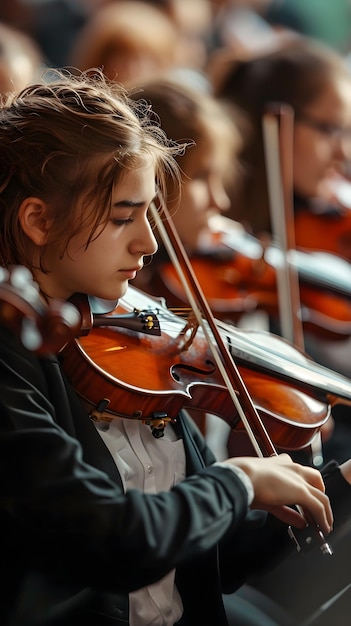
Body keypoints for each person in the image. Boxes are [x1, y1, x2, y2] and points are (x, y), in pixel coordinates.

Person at [1, 66, 351, 626]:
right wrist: (237, 482)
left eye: (150, 212)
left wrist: (339, 484)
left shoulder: (140, 338)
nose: (150, 241)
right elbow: (112, 538)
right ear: (39, 220)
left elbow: (218, 557)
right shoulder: (13, 361)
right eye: (124, 217)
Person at [211, 34, 351, 465]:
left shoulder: (308, 216)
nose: (344, 153)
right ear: (274, 120)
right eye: (330, 130)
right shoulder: (220, 243)